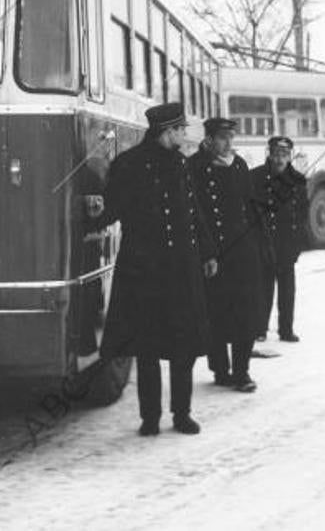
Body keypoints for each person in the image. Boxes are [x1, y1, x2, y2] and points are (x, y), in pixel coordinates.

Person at [96, 103, 218, 436]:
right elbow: (113, 209)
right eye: (181, 130)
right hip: (144, 270)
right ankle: (150, 417)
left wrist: (207, 251)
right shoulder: (129, 165)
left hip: (181, 267)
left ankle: (182, 414)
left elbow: (194, 212)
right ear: (167, 131)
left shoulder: (181, 164)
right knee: (146, 347)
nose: (184, 135)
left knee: (184, 346)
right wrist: (84, 218)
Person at [188, 117, 261, 393]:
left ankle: (242, 372)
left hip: (241, 250)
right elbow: (194, 212)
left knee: (245, 310)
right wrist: (205, 251)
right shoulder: (195, 167)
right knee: (215, 311)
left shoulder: (239, 165)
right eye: (222, 138)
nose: (228, 143)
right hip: (211, 252)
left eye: (231, 137)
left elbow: (249, 205)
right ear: (209, 139)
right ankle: (220, 369)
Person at [249, 136, 308, 343]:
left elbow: (302, 214)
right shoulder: (255, 177)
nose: (280, 158)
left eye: (284, 154)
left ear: (289, 156)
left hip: (286, 243)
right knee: (262, 288)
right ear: (269, 154)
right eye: (276, 154)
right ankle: (259, 328)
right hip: (264, 240)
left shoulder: (297, 180)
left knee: (287, 290)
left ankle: (286, 329)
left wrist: (299, 243)